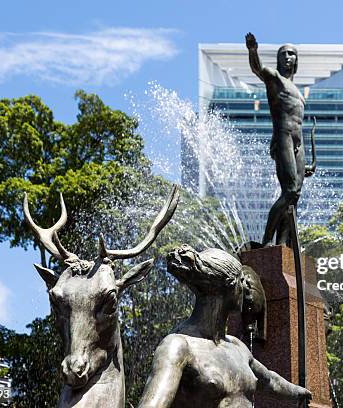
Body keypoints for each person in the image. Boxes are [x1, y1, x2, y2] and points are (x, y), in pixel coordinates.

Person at [138, 245, 312, 408]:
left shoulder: (237, 347)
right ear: (230, 285)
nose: (245, 288)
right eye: (241, 281)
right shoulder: (178, 346)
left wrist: (299, 392)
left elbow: (269, 381)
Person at [246, 32, 310, 246]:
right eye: (283, 54)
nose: (288, 57)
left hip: (299, 145)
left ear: (296, 60)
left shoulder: (300, 94)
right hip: (283, 137)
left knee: (295, 197)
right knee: (289, 190)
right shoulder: (275, 80)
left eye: (292, 54)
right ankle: (265, 243)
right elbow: (257, 69)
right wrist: (252, 50)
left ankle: (282, 244)